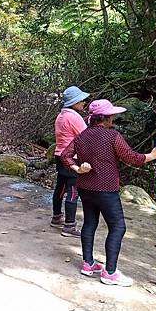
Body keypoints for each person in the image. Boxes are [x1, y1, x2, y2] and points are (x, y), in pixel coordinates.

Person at [61, 99, 156, 287]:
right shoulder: (112, 136)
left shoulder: (82, 136)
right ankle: (110, 272)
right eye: (112, 116)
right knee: (118, 227)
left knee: (90, 223)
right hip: (106, 189)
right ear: (106, 118)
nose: (114, 119)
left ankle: (88, 264)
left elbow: (64, 155)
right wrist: (153, 155)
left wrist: (77, 169)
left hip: (85, 187)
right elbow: (132, 158)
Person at [51, 86, 90, 238]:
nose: (83, 103)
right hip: (71, 158)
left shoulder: (61, 115)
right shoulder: (74, 117)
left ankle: (56, 217)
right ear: (74, 102)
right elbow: (86, 136)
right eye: (81, 100)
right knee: (73, 191)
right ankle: (69, 225)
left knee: (60, 187)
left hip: (59, 155)